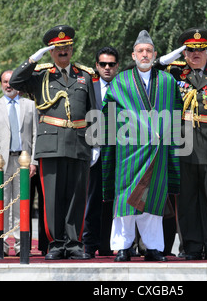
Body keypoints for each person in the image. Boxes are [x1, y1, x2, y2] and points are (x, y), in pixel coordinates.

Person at [9, 25, 96, 260]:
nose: (63, 51)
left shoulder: (84, 76)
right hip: (51, 145)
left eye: (67, 46)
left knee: (77, 196)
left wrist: (95, 144)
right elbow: (16, 81)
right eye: (58, 48)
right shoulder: (41, 76)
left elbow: (93, 112)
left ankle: (74, 243)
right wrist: (32, 59)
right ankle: (56, 244)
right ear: (51, 52)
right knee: (53, 198)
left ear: (72, 48)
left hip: (79, 143)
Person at [155, 28, 207, 260]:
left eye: (200, 50)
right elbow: (150, 71)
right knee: (187, 199)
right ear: (184, 53)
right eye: (190, 50)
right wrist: (166, 59)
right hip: (183, 144)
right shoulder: (174, 73)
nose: (196, 55)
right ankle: (191, 246)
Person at [101, 30, 182, 262]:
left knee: (153, 199)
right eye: (140, 51)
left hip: (158, 152)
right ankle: (123, 247)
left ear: (155, 54)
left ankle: (153, 248)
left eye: (148, 51)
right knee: (126, 199)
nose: (145, 54)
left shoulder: (167, 82)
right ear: (133, 55)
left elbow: (176, 115)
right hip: (128, 152)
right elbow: (108, 114)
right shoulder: (121, 81)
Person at [0, 69, 38, 256]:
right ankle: (1, 245)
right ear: (1, 84)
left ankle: (22, 245)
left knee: (21, 204)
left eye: (12, 81)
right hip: (1, 164)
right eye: (5, 82)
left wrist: (34, 162)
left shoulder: (30, 105)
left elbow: (35, 135)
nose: (8, 85)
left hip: (23, 163)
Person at [83, 46, 119, 258]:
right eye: (103, 64)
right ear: (96, 66)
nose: (107, 68)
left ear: (117, 66)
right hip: (95, 149)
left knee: (115, 199)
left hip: (118, 149)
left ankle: (108, 244)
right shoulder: (89, 84)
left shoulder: (123, 86)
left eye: (111, 64)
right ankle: (89, 244)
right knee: (93, 198)